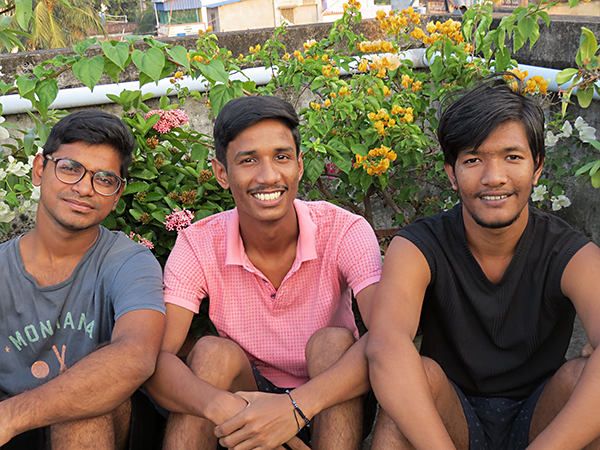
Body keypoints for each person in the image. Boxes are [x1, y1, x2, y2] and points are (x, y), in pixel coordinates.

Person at [366, 75, 600, 449]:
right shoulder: (418, 246)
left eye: (512, 157)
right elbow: (386, 345)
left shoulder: (571, 253)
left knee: (583, 380)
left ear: (537, 167)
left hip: (541, 419)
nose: (494, 178)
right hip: (450, 419)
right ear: (452, 173)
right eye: (474, 160)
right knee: (410, 385)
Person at [145, 95, 383, 449]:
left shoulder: (344, 230)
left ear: (299, 166)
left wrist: (294, 408)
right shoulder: (198, 243)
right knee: (212, 354)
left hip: (332, 395)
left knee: (332, 343)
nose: (268, 176)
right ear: (221, 173)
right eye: (248, 160)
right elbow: (154, 358)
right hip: (247, 398)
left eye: (281, 157)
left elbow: (388, 337)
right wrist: (226, 407)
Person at [0, 111, 166, 449]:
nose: (84, 188)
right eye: (70, 168)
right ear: (39, 169)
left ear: (117, 195)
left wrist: (11, 417)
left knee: (84, 402)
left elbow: (136, 354)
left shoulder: (129, 261)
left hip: (94, 430)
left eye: (104, 179)